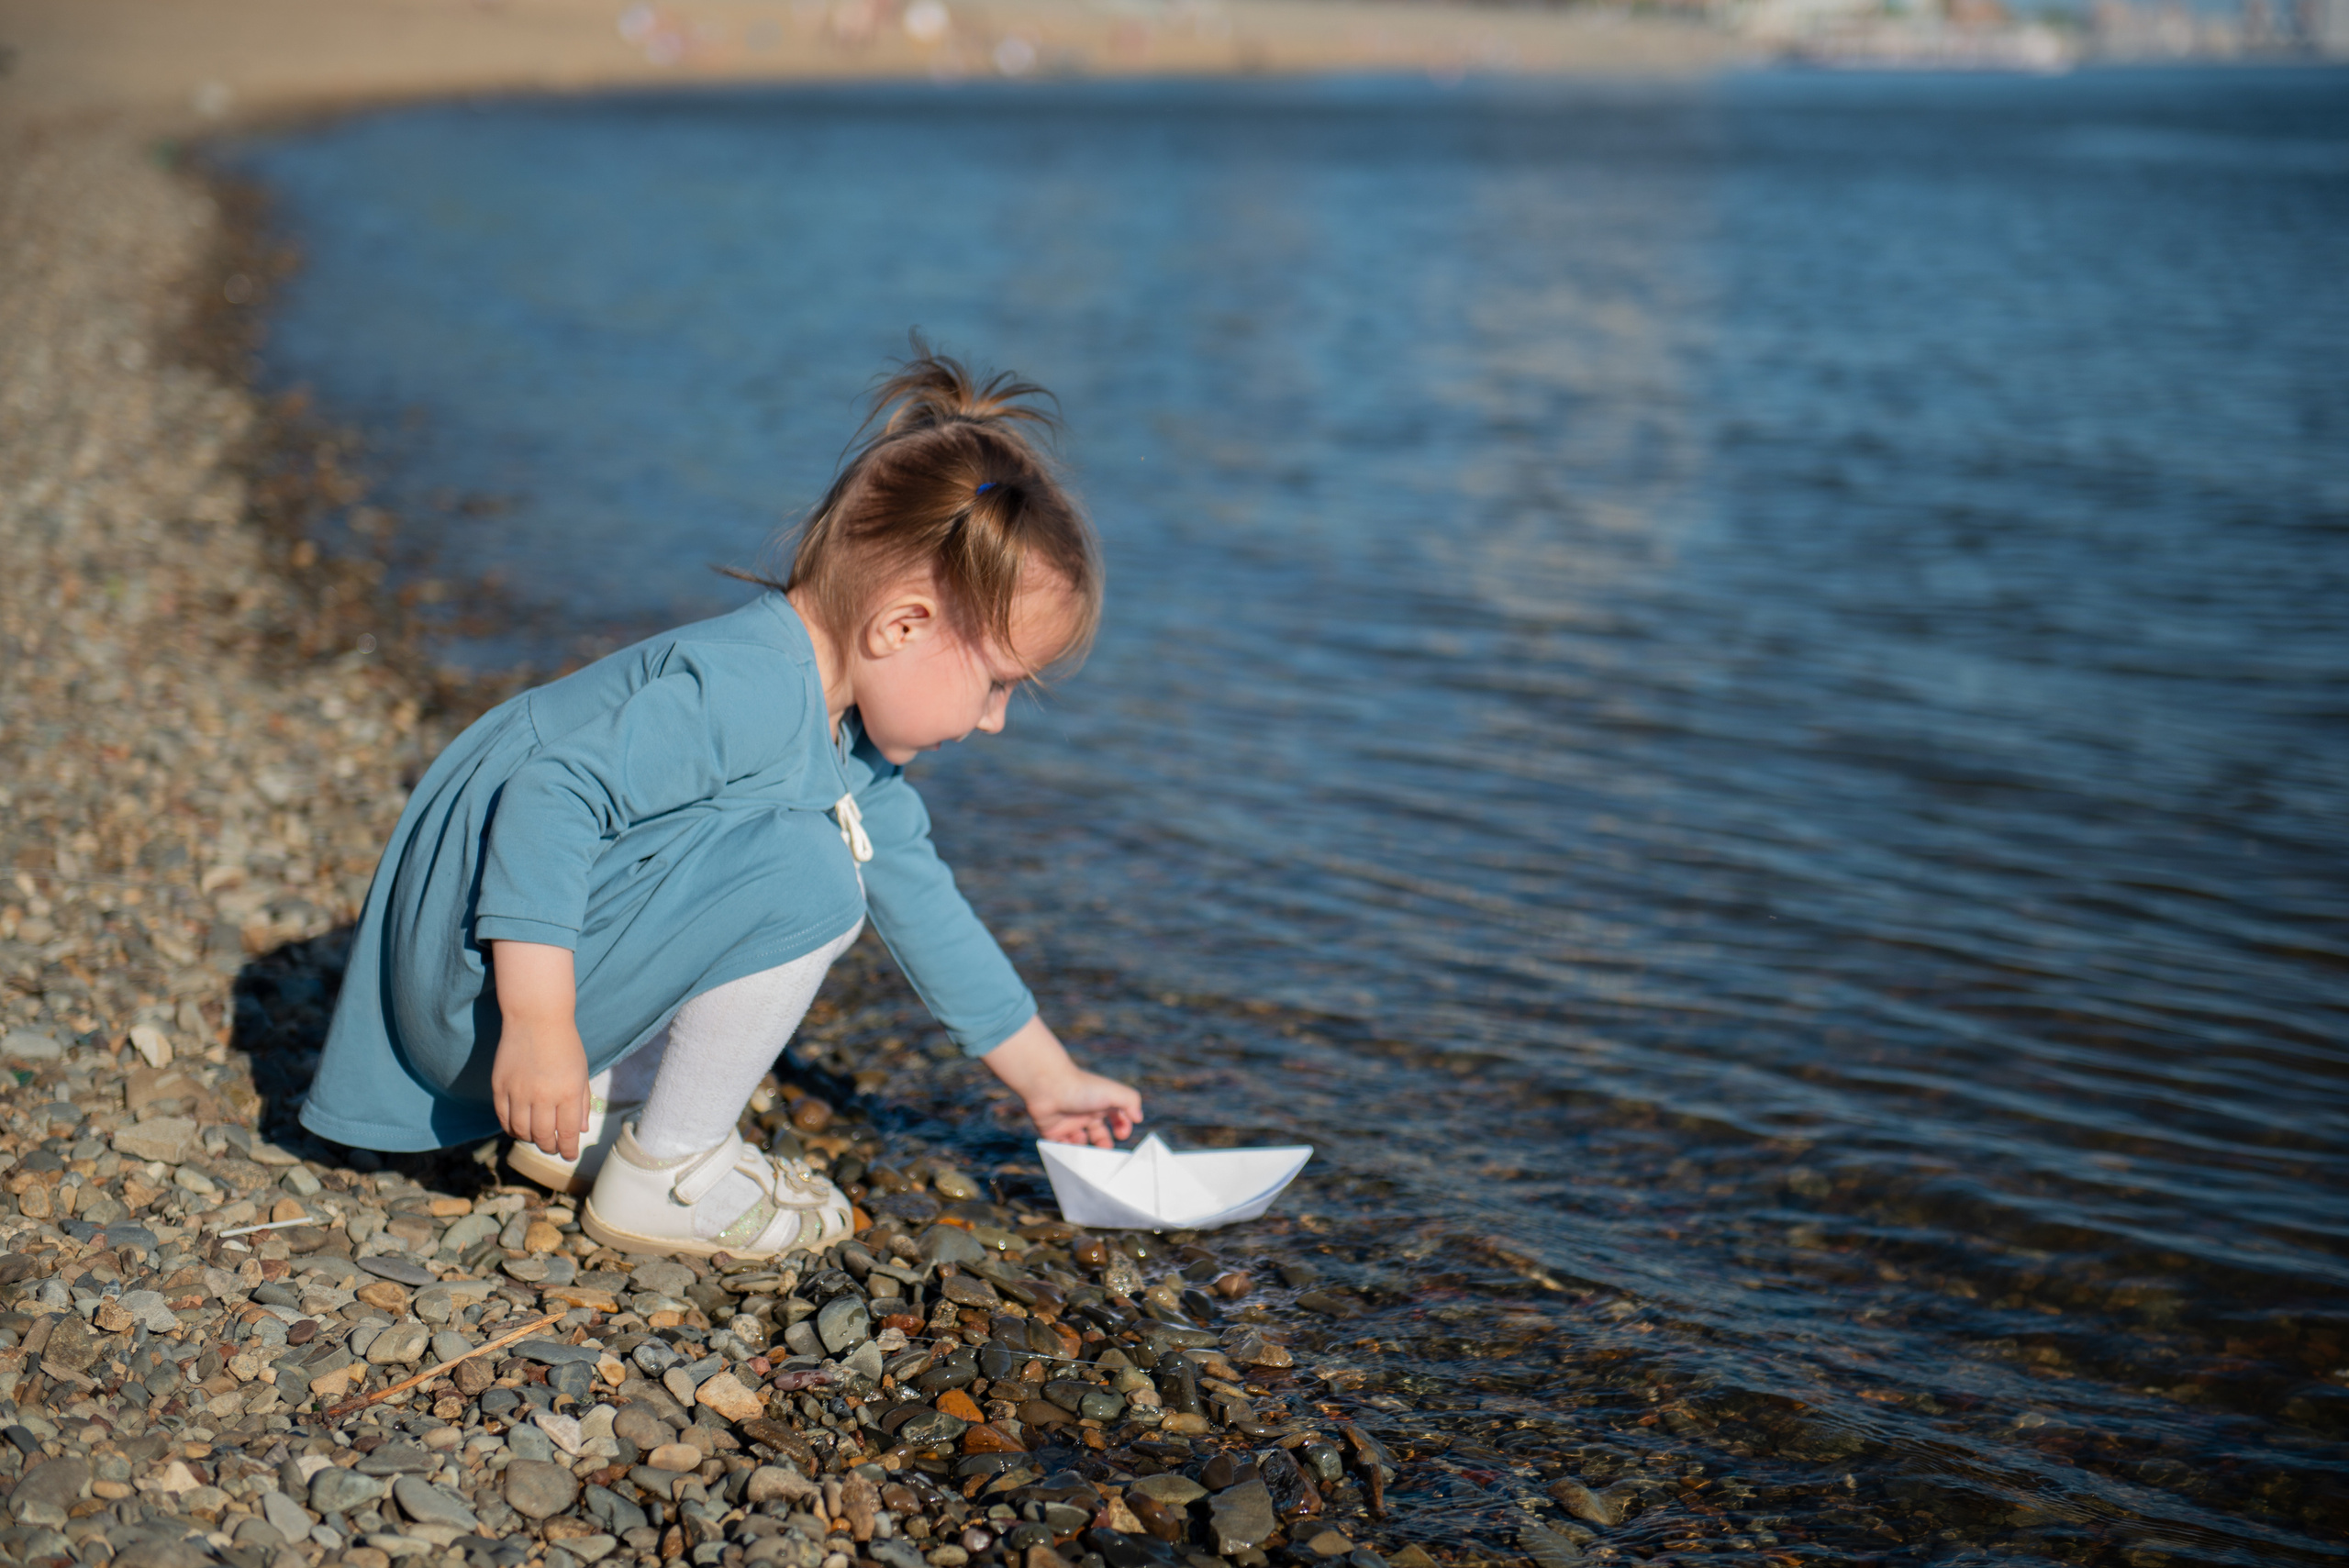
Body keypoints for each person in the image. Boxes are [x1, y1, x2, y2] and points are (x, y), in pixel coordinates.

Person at [301, 348, 1143, 1259]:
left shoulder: (831, 723)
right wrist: (540, 1028)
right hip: (488, 1011)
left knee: (819, 859)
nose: (995, 720)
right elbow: (552, 795)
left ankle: (603, 1115)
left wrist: (1049, 1079)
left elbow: (919, 895)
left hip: (494, 997)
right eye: (997, 683)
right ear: (902, 625)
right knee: (812, 876)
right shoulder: (752, 689)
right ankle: (669, 1171)